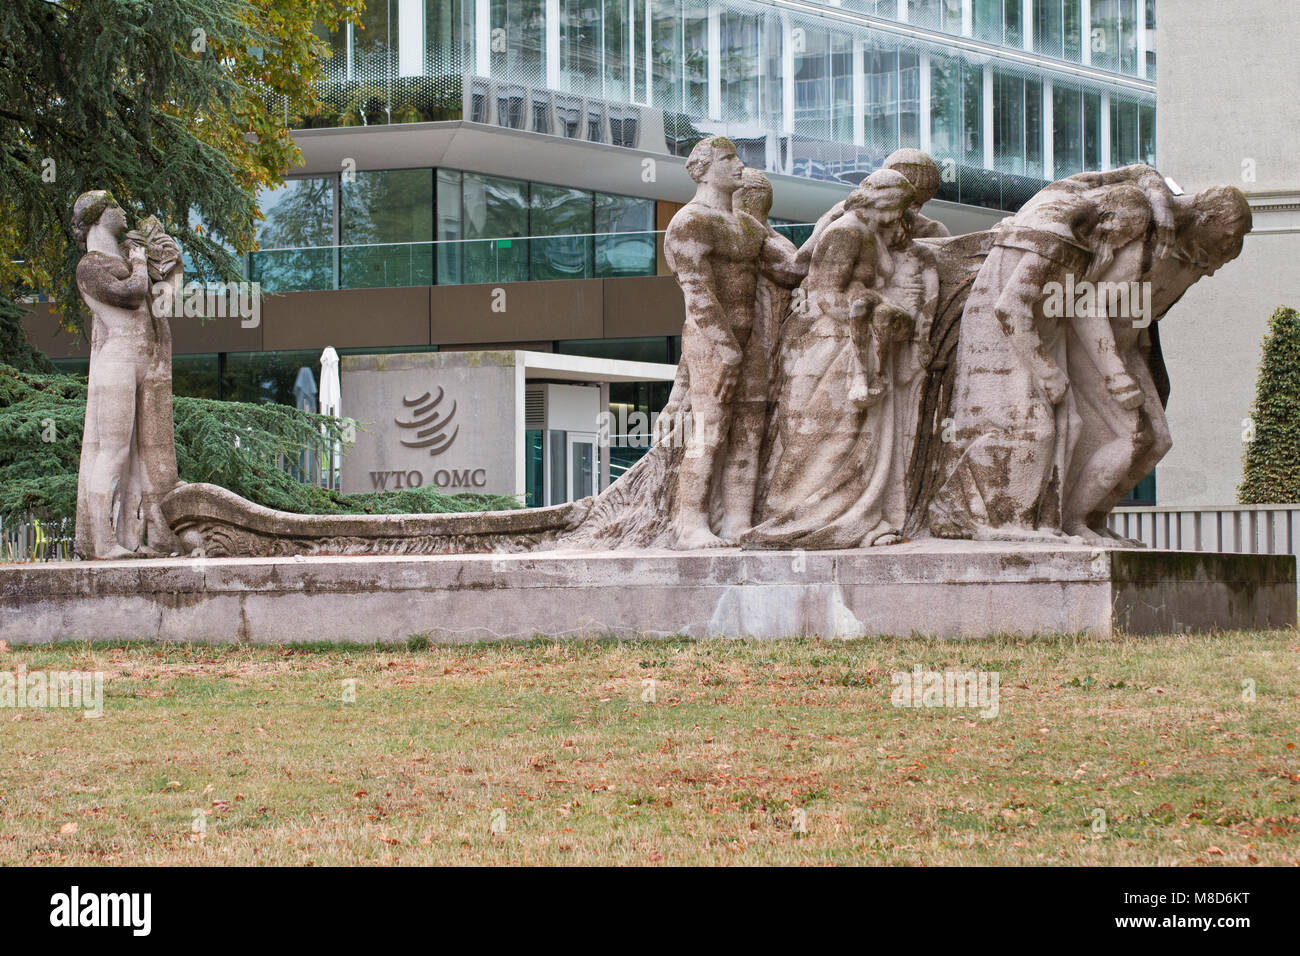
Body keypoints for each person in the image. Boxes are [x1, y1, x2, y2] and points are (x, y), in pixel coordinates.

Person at [661, 137, 804, 548]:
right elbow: (699, 295)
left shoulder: (747, 226)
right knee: (710, 429)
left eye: (737, 158)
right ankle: (690, 523)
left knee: (749, 429)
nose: (738, 165)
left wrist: (838, 218)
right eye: (728, 159)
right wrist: (727, 353)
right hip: (713, 343)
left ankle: (738, 522)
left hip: (748, 340)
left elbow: (793, 269)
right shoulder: (690, 222)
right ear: (702, 169)